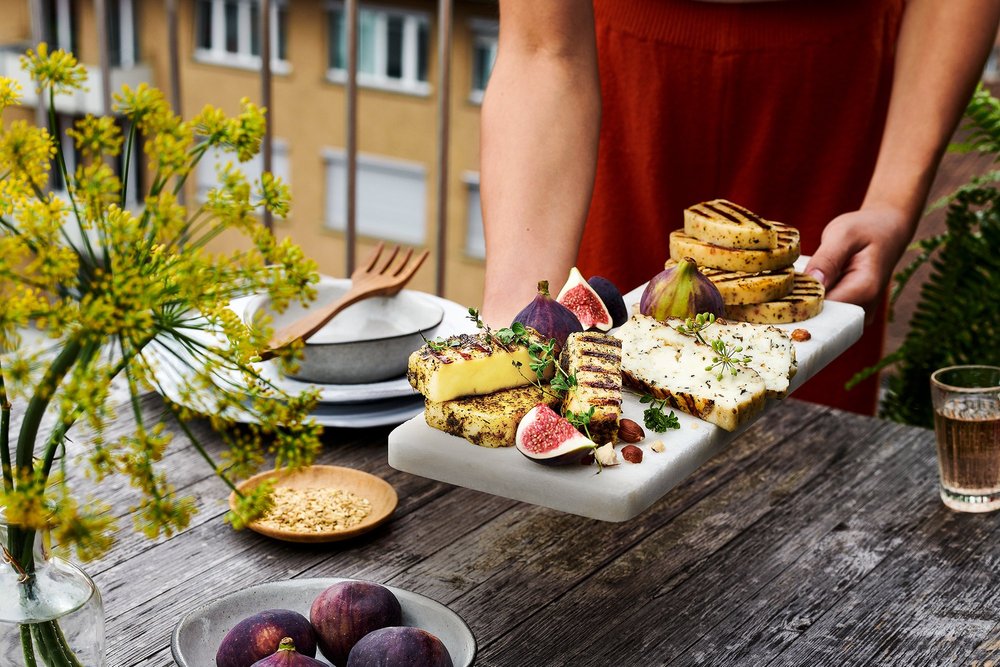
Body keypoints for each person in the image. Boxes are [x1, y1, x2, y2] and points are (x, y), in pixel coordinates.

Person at [479, 0, 1000, 415]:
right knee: (604, 423)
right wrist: (519, 321)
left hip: (834, 91)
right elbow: (541, 48)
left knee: (811, 464)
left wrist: (891, 200)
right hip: (614, 87)